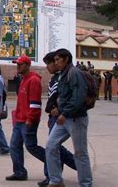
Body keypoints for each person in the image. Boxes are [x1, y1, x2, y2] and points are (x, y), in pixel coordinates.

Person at [46, 48, 93, 187]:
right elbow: (64, 97)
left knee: (80, 153)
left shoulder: (75, 73)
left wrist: (64, 113)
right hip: (64, 118)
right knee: (51, 146)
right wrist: (57, 109)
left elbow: (78, 98)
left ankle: (86, 184)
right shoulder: (62, 75)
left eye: (57, 60)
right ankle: (56, 180)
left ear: (66, 59)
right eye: (54, 60)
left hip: (76, 119)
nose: (56, 63)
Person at [5, 55, 46, 182]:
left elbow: (35, 103)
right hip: (19, 120)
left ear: (27, 65)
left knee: (31, 147)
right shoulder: (23, 79)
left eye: (20, 64)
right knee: (14, 146)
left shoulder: (33, 80)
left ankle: (53, 161)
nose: (17, 66)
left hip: (28, 121)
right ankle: (19, 172)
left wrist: (30, 119)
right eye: (17, 64)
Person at [39, 52, 77, 186]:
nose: (49, 66)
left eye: (50, 63)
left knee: (53, 146)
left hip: (61, 116)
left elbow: (69, 97)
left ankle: (54, 176)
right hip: (53, 116)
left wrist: (60, 110)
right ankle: (53, 176)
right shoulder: (54, 79)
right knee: (53, 147)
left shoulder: (64, 77)